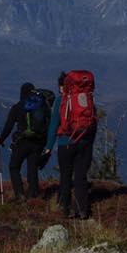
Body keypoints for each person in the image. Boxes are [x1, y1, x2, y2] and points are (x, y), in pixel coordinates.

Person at [44, 70, 97, 219]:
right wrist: (89, 143)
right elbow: (93, 123)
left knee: (65, 177)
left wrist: (48, 147)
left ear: (63, 86)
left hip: (65, 143)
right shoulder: (87, 99)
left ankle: (65, 209)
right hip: (85, 142)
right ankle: (82, 210)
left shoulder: (61, 101)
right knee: (81, 177)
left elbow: (54, 125)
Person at [0, 82, 51, 202]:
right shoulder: (41, 105)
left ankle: (20, 194)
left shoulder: (18, 107)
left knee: (14, 166)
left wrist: (0, 139)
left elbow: (9, 126)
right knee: (32, 168)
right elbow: (48, 124)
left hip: (22, 142)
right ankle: (33, 195)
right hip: (38, 142)